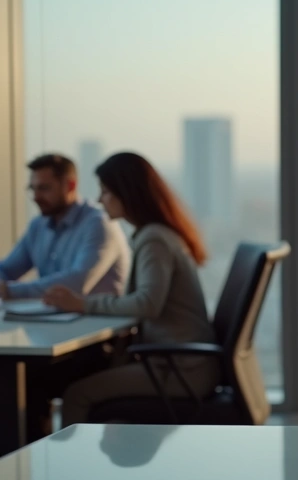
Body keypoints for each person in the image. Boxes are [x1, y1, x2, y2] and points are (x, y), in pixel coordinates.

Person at [42, 152, 220, 426]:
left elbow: (147, 303)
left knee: (77, 394)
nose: (100, 200)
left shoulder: (154, 240)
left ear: (127, 193)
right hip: (179, 362)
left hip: (180, 370)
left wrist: (83, 304)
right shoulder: (156, 234)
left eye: (106, 192)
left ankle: (75, 468)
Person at [0, 154, 129, 300]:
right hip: (50, 319)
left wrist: (11, 291)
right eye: (32, 189)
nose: (36, 197)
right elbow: (7, 269)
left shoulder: (99, 224)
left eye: (44, 188)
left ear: (70, 186)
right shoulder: (38, 226)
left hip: (97, 322)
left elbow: (77, 283)